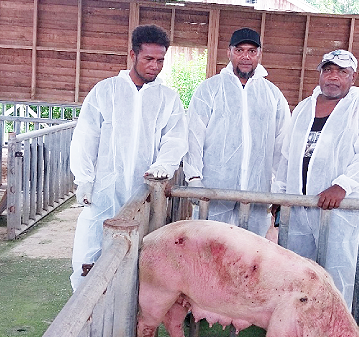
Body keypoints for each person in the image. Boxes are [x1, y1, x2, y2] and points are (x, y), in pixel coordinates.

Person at [69, 24, 187, 291]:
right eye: (149, 59)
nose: (155, 66)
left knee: (140, 253)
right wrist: (84, 179)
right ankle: (85, 307)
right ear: (132, 55)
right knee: (92, 248)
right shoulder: (105, 91)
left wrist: (163, 165)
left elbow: (176, 137)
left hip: (143, 191)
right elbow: (87, 136)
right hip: (104, 189)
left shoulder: (167, 98)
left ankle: (129, 311)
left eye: (160, 60)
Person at [273, 49, 359, 313]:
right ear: (320, 74)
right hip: (299, 204)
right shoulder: (303, 107)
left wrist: (343, 185)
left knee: (338, 265)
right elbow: (287, 154)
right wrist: (279, 194)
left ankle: (341, 322)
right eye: (328, 70)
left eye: (342, 72)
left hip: (338, 208)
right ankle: (296, 320)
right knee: (297, 266)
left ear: (353, 77)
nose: (333, 77)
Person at [184, 27, 290, 237]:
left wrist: (280, 187)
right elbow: (193, 134)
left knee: (250, 257)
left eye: (251, 51)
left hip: (256, 193)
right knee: (209, 251)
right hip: (213, 192)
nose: (245, 57)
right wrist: (194, 177)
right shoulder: (209, 89)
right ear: (229, 52)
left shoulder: (272, 95)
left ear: (259, 54)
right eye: (239, 50)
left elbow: (283, 142)